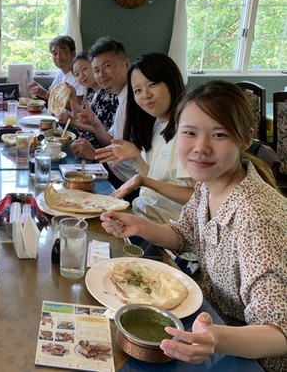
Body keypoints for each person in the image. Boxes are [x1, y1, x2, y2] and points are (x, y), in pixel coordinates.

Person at [101, 81, 287, 371]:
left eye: (219, 134)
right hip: (209, 322)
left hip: (249, 357)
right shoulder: (209, 184)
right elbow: (184, 235)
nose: (201, 148)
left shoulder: (256, 219)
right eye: (189, 133)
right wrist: (139, 226)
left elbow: (279, 333)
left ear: (245, 139)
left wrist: (216, 339)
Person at [95, 53, 194, 223]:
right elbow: (151, 180)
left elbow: (199, 197)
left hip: (170, 228)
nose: (146, 95)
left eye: (153, 84)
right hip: (142, 216)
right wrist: (136, 156)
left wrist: (143, 181)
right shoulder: (156, 124)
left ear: (171, 81)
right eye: (138, 90)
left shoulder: (190, 133)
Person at [71, 36, 137, 187]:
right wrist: (95, 123)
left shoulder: (135, 101)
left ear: (126, 64)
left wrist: (94, 153)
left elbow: (133, 162)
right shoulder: (122, 98)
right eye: (97, 70)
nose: (101, 74)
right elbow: (111, 142)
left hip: (126, 180)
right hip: (115, 171)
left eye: (107, 66)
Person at [59, 51, 118, 148]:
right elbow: (80, 120)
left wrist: (73, 122)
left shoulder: (109, 94)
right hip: (81, 143)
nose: (81, 76)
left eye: (84, 69)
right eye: (77, 74)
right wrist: (72, 98)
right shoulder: (91, 94)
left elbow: (103, 129)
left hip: (95, 149)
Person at [26, 35, 86, 104]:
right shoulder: (61, 72)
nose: (58, 57)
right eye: (55, 53)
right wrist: (38, 88)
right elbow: (51, 94)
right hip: (56, 114)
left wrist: (45, 93)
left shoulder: (79, 76)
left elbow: (78, 105)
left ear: (73, 54)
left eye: (63, 51)